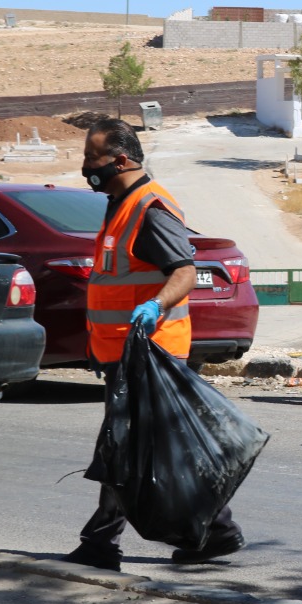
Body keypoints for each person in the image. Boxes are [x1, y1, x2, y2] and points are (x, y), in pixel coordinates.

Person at [64, 118, 246, 572]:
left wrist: (155, 306)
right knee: (155, 448)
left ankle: (100, 543)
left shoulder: (150, 208)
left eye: (92, 157)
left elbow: (182, 271)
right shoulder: (119, 203)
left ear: (121, 160)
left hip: (151, 351)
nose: (86, 166)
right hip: (122, 353)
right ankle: (217, 531)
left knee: (123, 448)